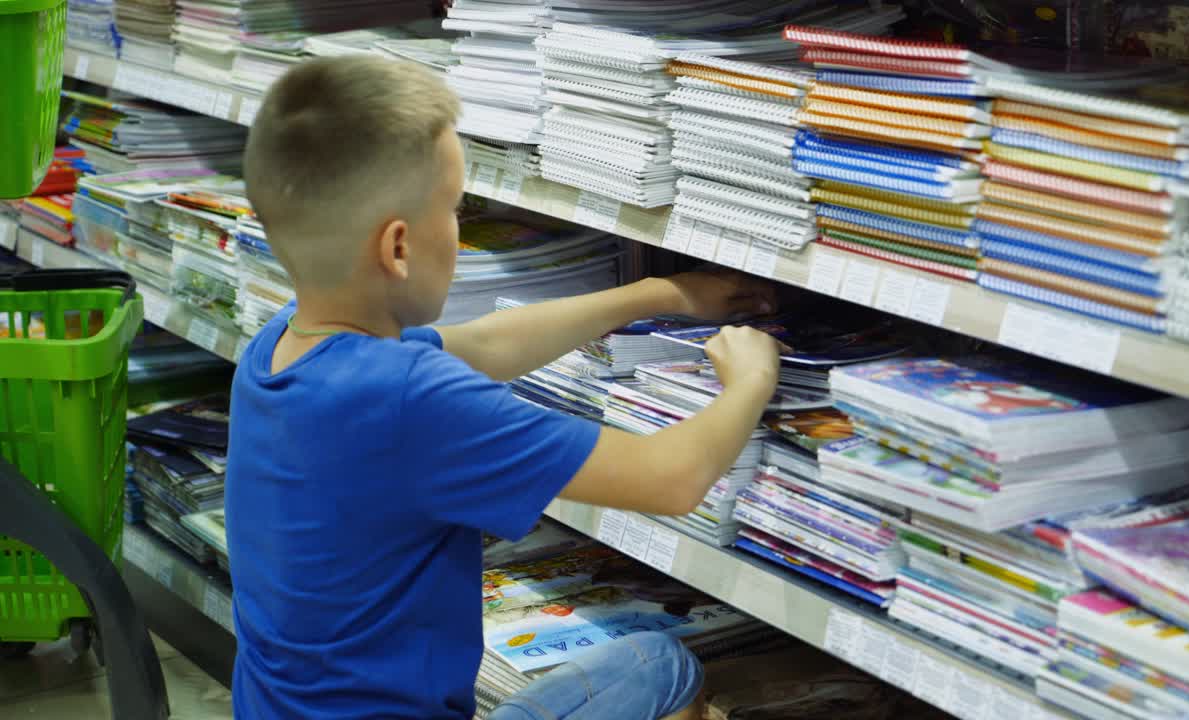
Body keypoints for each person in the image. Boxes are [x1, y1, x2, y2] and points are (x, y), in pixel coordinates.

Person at [227, 55, 781, 720]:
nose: (459, 230)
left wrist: (660, 293)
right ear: (398, 248)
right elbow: (671, 478)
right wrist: (750, 379)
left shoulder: (282, 348)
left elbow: (488, 343)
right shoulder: (408, 397)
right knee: (660, 666)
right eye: (457, 210)